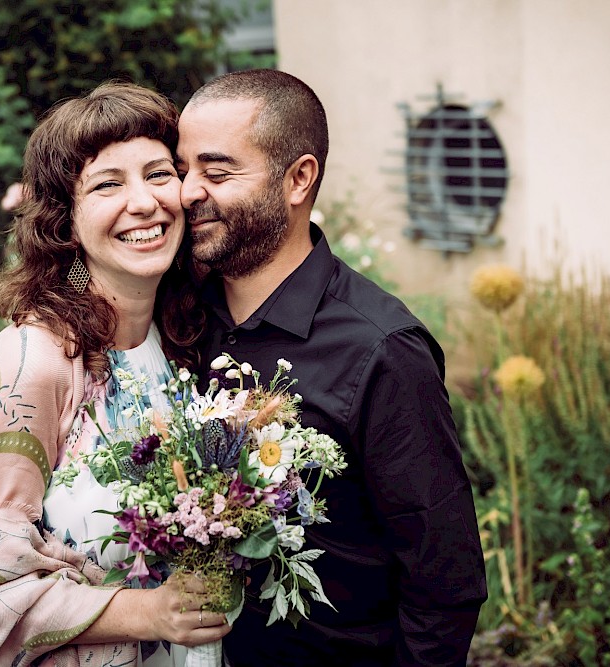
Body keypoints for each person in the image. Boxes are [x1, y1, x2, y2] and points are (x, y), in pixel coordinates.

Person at [174, 69, 488, 666]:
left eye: (216, 173)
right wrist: (23, 372)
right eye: (184, 169)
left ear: (298, 179)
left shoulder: (382, 350)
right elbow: (88, 280)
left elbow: (444, 584)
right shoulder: (178, 311)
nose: (189, 191)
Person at [0, 82, 230, 667]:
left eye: (158, 173)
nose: (143, 203)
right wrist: (148, 613)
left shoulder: (189, 335)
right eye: (107, 183)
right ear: (66, 219)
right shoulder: (33, 363)